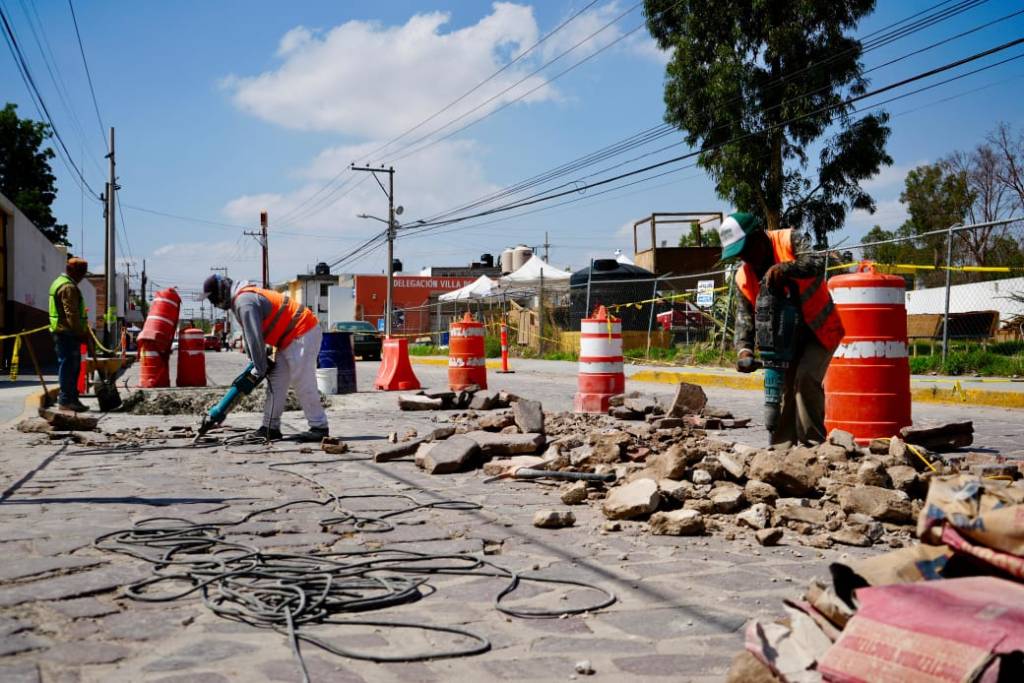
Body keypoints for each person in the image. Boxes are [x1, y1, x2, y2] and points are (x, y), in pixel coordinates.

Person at [717, 212, 845, 446]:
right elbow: (744, 318)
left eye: (746, 249)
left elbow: (816, 263)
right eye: (740, 255)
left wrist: (785, 268)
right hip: (785, 340)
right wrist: (744, 352)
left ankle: (813, 447)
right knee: (784, 389)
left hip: (819, 330)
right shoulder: (743, 276)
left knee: (805, 380)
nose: (746, 258)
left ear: (758, 236)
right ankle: (781, 450)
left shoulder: (788, 240)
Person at [203, 274, 329, 442]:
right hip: (288, 338)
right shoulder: (241, 301)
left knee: (302, 380)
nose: (215, 304)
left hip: (302, 331)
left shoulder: (244, 301)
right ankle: (270, 427)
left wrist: (260, 367)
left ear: (221, 292)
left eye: (214, 299)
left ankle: (319, 427)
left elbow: (255, 339)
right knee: (276, 381)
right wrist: (258, 365)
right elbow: (250, 338)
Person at [49, 257, 91, 412]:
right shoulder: (68, 287)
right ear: (72, 271)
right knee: (69, 367)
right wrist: (80, 333)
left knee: (72, 366)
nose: (82, 277)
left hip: (64, 331)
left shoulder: (60, 282)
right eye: (81, 273)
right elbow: (71, 314)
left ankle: (72, 399)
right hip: (67, 332)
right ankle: (67, 400)